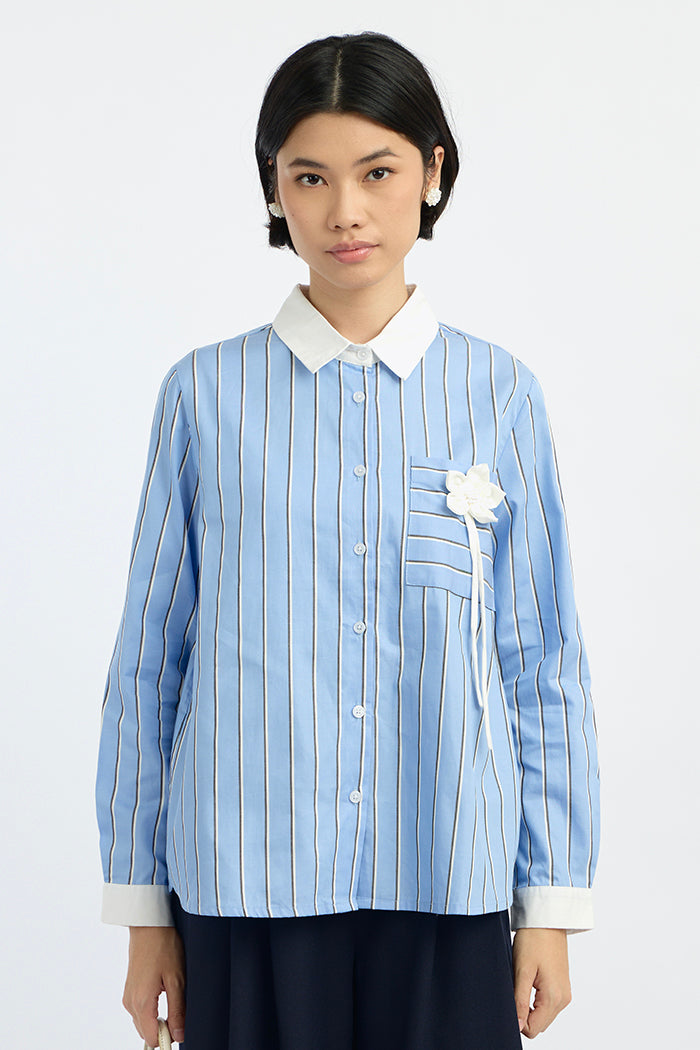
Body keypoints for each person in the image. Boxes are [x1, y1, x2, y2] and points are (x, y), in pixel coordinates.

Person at [95, 30, 600, 1050]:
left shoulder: (499, 394)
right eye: (310, 177)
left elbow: (541, 660)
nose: (345, 213)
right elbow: (150, 661)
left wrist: (549, 899)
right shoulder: (204, 397)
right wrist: (143, 911)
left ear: (432, 171)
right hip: (244, 885)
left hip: (448, 875)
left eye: (377, 172)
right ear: (274, 188)